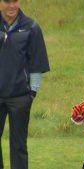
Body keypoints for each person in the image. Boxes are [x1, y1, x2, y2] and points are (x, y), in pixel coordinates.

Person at [0, 0, 50, 169]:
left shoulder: (31, 27)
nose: (12, 6)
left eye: (15, 1)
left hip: (20, 96)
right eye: (7, 1)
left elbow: (36, 63)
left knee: (19, 145)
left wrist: (32, 93)